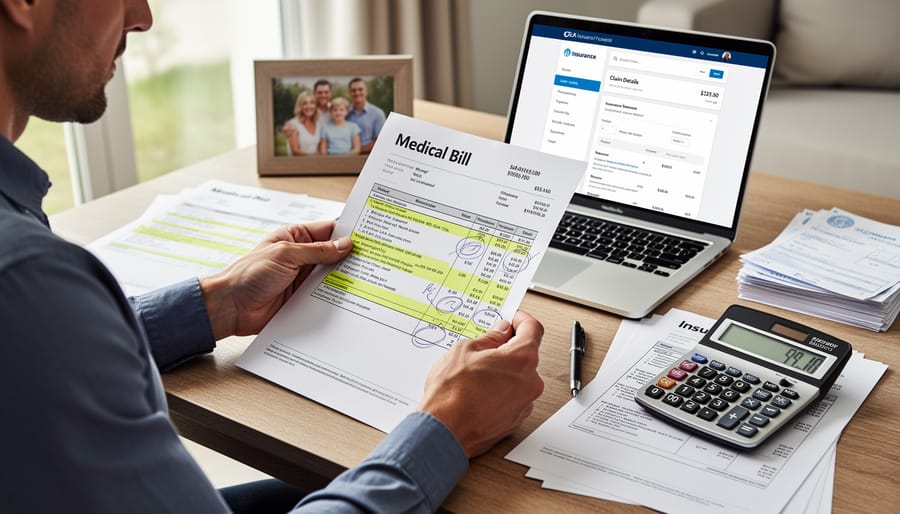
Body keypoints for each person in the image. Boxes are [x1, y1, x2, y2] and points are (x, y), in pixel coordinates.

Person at [0, 1, 545, 513]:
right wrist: (448, 425)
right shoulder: (29, 281)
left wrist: (217, 304)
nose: (142, 16)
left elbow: (54, 353)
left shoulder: (31, 290)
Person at [346, 77, 386, 154]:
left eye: (360, 89)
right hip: (346, 156)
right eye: (353, 90)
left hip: (368, 156)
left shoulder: (377, 113)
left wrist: (357, 150)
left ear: (366, 92)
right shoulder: (345, 113)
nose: (357, 93)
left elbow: (381, 140)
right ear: (350, 93)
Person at [282, 91, 321, 156]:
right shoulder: (293, 124)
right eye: (305, 103)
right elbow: (295, 151)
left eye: (312, 103)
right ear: (300, 106)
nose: (309, 106)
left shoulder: (318, 124)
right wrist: (313, 158)